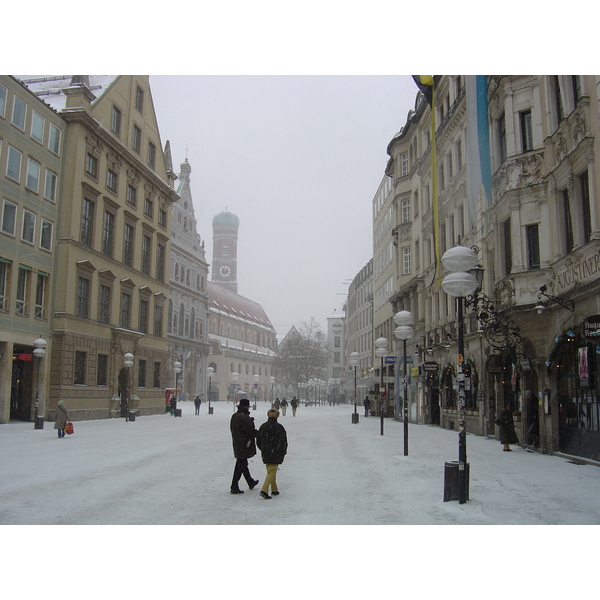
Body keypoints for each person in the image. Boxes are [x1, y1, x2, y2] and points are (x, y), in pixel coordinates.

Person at [229, 398, 260, 494]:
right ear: (246, 408)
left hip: (238, 443)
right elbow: (250, 431)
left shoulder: (235, 416)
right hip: (244, 444)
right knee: (240, 464)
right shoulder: (245, 418)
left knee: (242, 463)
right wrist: (260, 433)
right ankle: (234, 486)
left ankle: (250, 481)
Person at [256, 408, 288, 499]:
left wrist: (263, 448)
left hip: (266, 452)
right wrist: (283, 451)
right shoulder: (279, 428)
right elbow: (283, 441)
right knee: (272, 471)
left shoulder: (263, 426)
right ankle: (264, 490)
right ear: (277, 416)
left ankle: (274, 489)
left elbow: (258, 440)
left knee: (271, 471)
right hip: (276, 452)